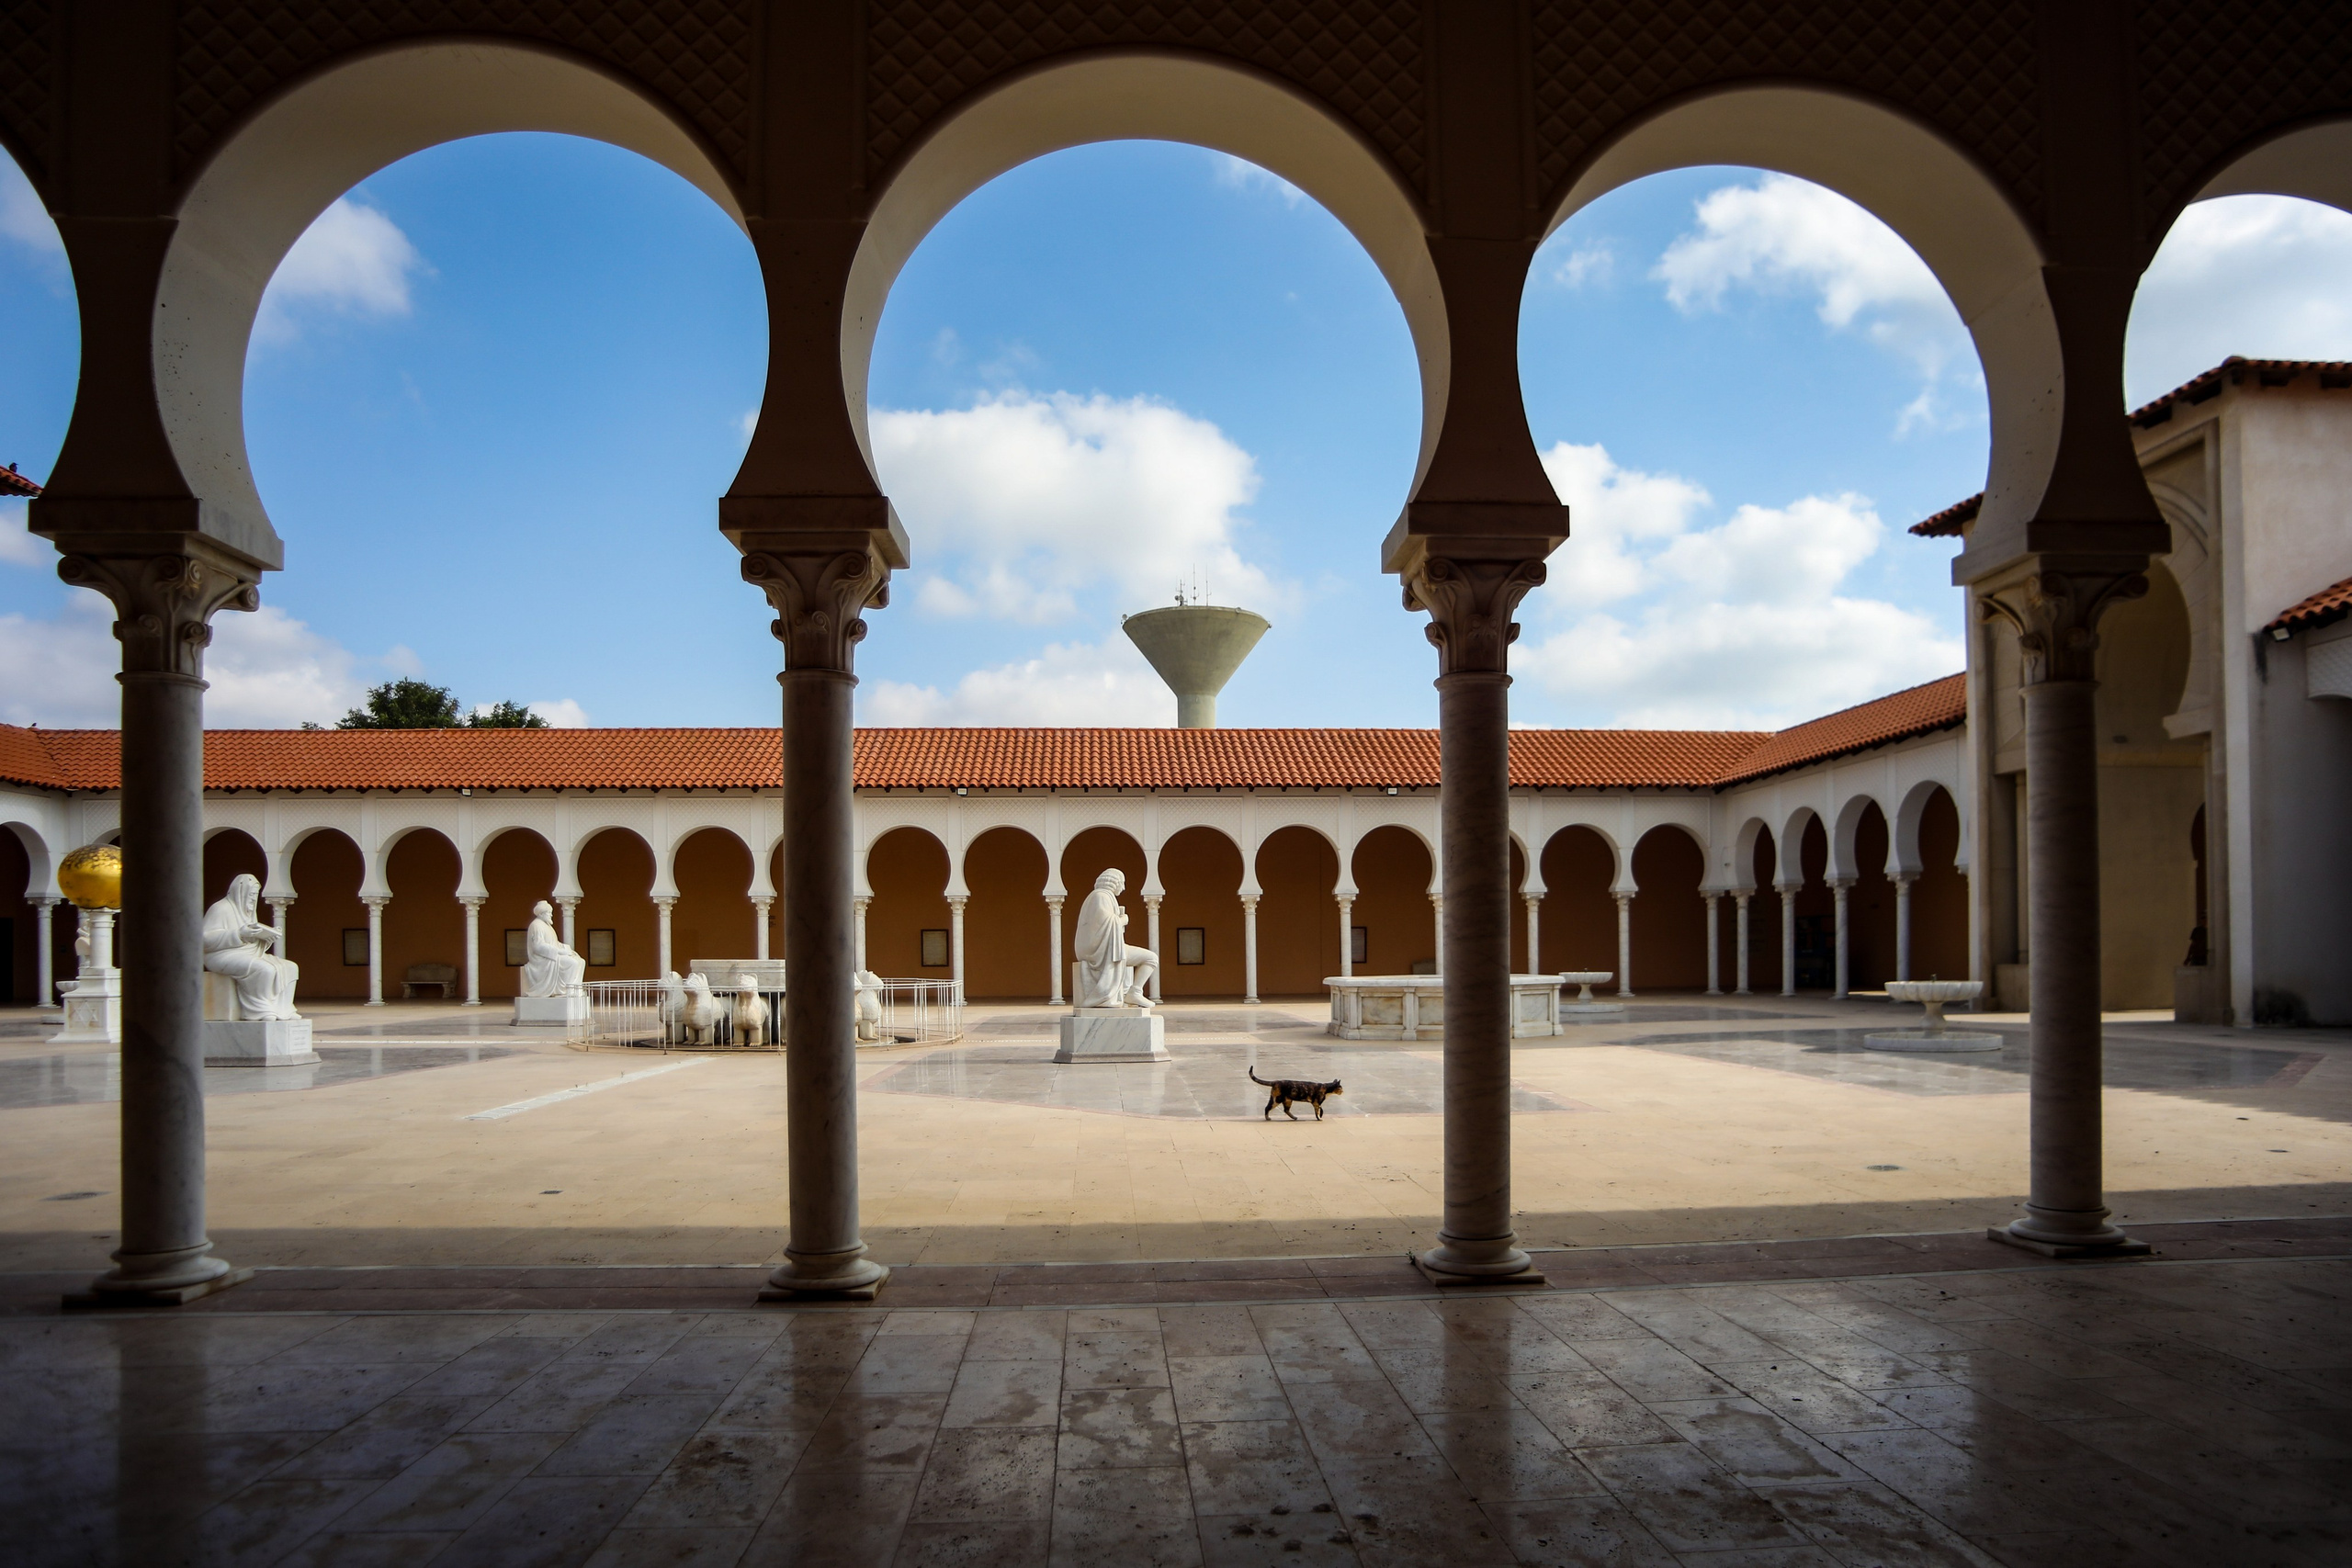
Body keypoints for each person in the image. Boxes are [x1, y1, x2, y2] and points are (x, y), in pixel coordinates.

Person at [201, 873, 300, 1020]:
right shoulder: (220, 909)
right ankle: (260, 1010)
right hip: (221, 955)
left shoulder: (248, 912)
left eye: (256, 894)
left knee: (291, 967)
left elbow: (250, 941)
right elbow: (205, 940)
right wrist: (239, 934)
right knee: (264, 969)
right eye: (251, 894)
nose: (254, 898)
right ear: (241, 892)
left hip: (246, 954)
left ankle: (284, 1009)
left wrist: (265, 938)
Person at [1070, 868, 1157, 1009]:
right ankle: (1134, 992)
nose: (1123, 888)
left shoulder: (1099, 897)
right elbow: (1107, 922)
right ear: (1113, 882)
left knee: (1148, 957)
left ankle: (1134, 993)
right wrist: (1123, 919)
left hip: (1103, 948)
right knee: (1151, 958)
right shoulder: (1101, 896)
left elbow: (1103, 925)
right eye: (1121, 883)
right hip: (1100, 952)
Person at [521, 899, 586, 997]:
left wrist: (566, 949)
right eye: (549, 913)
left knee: (581, 961)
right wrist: (559, 951)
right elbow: (538, 947)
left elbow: (554, 943)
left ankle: (573, 990)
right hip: (544, 959)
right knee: (572, 963)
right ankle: (565, 990)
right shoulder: (536, 925)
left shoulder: (547, 926)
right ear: (542, 914)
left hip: (552, 955)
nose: (551, 915)